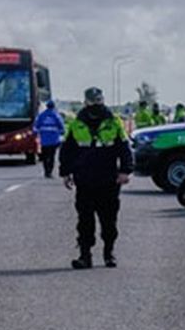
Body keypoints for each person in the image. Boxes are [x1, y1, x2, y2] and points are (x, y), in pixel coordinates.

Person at [60, 86, 133, 270]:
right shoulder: (77, 123)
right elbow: (67, 150)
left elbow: (124, 147)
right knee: (84, 220)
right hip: (84, 180)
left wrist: (125, 170)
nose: (95, 105)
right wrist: (65, 172)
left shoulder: (114, 122)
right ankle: (85, 255)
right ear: (85, 102)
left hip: (108, 180)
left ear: (103, 100)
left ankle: (109, 252)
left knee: (109, 220)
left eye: (98, 101)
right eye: (92, 102)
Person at [31, 99, 66, 178]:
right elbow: (62, 127)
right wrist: (61, 133)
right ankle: (49, 171)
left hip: (44, 140)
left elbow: (35, 127)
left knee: (45, 156)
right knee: (52, 156)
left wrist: (36, 133)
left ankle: (46, 171)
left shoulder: (42, 115)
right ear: (53, 106)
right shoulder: (56, 115)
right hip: (54, 140)